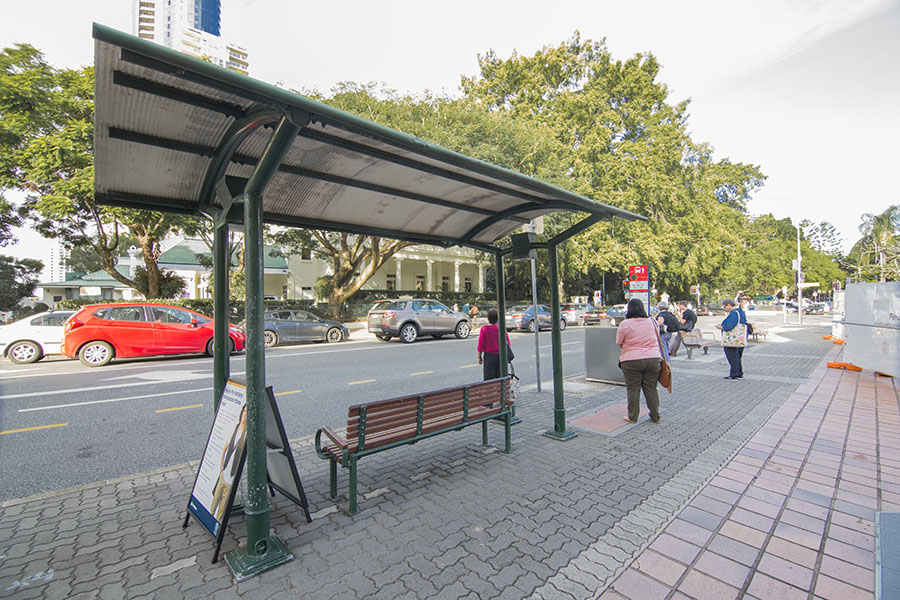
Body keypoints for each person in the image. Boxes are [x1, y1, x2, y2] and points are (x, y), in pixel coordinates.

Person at [616, 298, 662, 424]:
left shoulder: (625, 324)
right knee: (651, 388)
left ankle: (633, 417)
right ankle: (655, 416)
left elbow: (619, 342)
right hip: (653, 359)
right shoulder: (652, 322)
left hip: (631, 360)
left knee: (633, 389)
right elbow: (657, 337)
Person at [209, 405, 247, 521]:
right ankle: (209, 520)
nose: (245, 414)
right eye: (244, 411)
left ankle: (217, 523)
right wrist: (221, 470)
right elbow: (224, 450)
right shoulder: (234, 428)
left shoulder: (247, 433)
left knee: (222, 507)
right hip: (224, 474)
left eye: (247, 412)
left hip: (231, 478)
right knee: (215, 500)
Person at [716, 298, 747, 379]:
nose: (725, 308)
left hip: (732, 339)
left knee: (732, 356)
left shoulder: (734, 313)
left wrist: (722, 327)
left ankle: (734, 374)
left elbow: (730, 326)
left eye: (724, 306)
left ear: (729, 305)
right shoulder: (740, 311)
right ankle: (739, 373)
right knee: (737, 356)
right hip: (740, 338)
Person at [477, 308, 511, 380]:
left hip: (489, 356)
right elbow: (508, 343)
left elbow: (480, 345)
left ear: (488, 318)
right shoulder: (501, 328)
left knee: (489, 379)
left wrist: (479, 357)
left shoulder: (484, 329)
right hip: (501, 356)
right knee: (501, 379)